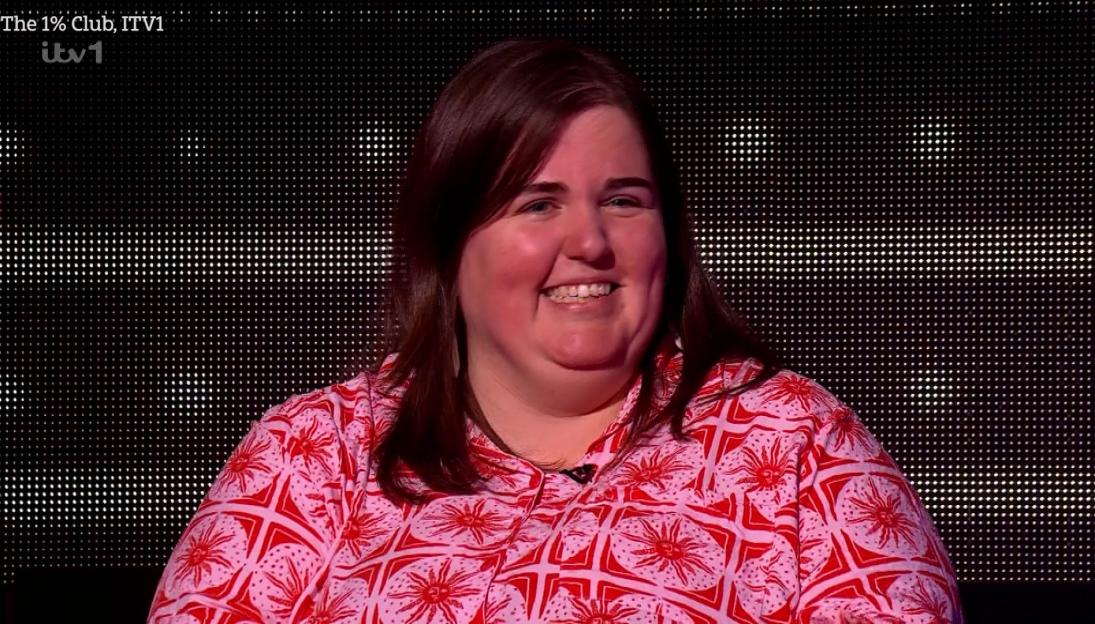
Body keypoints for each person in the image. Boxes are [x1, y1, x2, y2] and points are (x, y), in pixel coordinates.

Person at [148, 38, 963, 623]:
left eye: (623, 200)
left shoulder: (796, 443)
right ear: (448, 243)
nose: (591, 243)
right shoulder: (309, 454)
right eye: (538, 204)